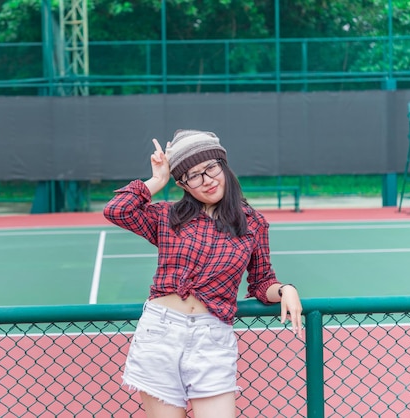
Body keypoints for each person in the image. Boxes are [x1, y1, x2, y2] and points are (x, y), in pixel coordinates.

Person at [103, 129, 303, 418]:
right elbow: (117, 210)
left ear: (223, 165)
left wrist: (286, 289)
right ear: (183, 184)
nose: (207, 180)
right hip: (160, 333)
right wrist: (158, 180)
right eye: (193, 176)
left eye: (211, 168)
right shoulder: (167, 217)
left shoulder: (253, 223)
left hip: (212, 338)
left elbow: (262, 282)